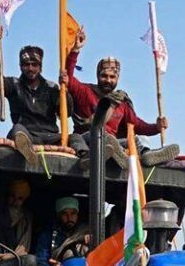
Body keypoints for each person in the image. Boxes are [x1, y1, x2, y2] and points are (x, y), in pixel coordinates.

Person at [60, 27, 176, 169]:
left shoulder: (121, 101)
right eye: (104, 76)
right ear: (98, 76)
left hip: (114, 143)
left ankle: (146, 155)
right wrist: (76, 50)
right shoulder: (85, 91)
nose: (108, 80)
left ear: (117, 78)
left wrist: (156, 127)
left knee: (136, 140)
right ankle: (101, 154)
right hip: (89, 139)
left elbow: (137, 125)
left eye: (112, 77)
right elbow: (68, 78)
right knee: (94, 137)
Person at [0, 25, 85, 164]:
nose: (30, 68)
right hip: (27, 134)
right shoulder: (14, 85)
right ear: (20, 66)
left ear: (40, 67)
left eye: (34, 64)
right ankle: (29, 155)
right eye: (26, 64)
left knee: (75, 138)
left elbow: (66, 112)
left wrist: (65, 89)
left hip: (50, 135)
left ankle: (87, 160)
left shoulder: (51, 88)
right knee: (17, 130)